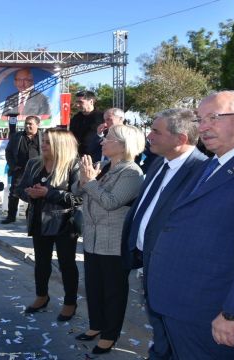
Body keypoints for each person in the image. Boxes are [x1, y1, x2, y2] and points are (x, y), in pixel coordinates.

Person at [147, 90, 234, 358]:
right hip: (177, 303)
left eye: (213, 118)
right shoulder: (211, 165)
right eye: (201, 119)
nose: (202, 127)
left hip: (211, 314)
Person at [120, 108, 207, 360]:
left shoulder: (201, 171)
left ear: (180, 139)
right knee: (159, 329)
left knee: (176, 334)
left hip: (174, 271)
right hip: (147, 262)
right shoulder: (159, 162)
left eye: (156, 131)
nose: (149, 136)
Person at [76, 124, 145, 355]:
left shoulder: (131, 172)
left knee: (113, 291)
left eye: (109, 138)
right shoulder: (104, 167)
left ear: (125, 145)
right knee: (93, 287)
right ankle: (96, 325)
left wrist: (91, 182)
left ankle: (110, 334)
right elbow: (79, 191)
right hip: (92, 239)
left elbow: (110, 202)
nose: (103, 141)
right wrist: (84, 178)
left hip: (114, 243)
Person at [16, 128, 80, 322]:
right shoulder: (34, 163)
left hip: (64, 222)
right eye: (43, 141)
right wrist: (30, 193)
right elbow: (19, 189)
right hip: (38, 219)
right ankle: (41, 296)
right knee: (41, 263)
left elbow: (78, 199)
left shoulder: (73, 165)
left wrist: (48, 193)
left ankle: (70, 302)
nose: (42, 145)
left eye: (47, 142)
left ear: (61, 145)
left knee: (66, 264)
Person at [2, 115, 41, 224]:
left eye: (30, 124)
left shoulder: (43, 137)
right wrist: (13, 166)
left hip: (38, 171)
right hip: (20, 170)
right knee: (14, 192)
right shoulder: (17, 136)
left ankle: (31, 217)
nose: (27, 126)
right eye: (26, 123)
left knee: (35, 193)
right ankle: (11, 216)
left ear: (37, 125)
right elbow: (8, 152)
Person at [69, 91, 104, 157]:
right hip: (77, 156)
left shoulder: (102, 117)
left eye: (80, 102)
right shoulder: (75, 118)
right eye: (77, 102)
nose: (77, 105)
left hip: (96, 157)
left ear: (91, 102)